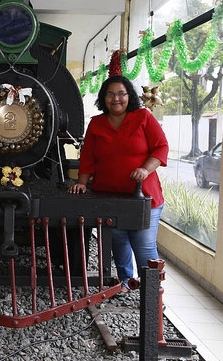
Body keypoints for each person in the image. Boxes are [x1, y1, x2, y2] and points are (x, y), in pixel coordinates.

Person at [68, 75, 168, 293]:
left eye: (121, 93)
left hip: (144, 198)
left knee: (143, 244)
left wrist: (145, 169)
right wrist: (82, 183)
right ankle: (125, 282)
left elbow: (161, 147)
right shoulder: (96, 123)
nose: (116, 99)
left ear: (129, 96)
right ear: (104, 98)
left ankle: (153, 294)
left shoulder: (143, 117)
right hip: (110, 198)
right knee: (119, 241)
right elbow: (88, 158)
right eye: (110, 94)